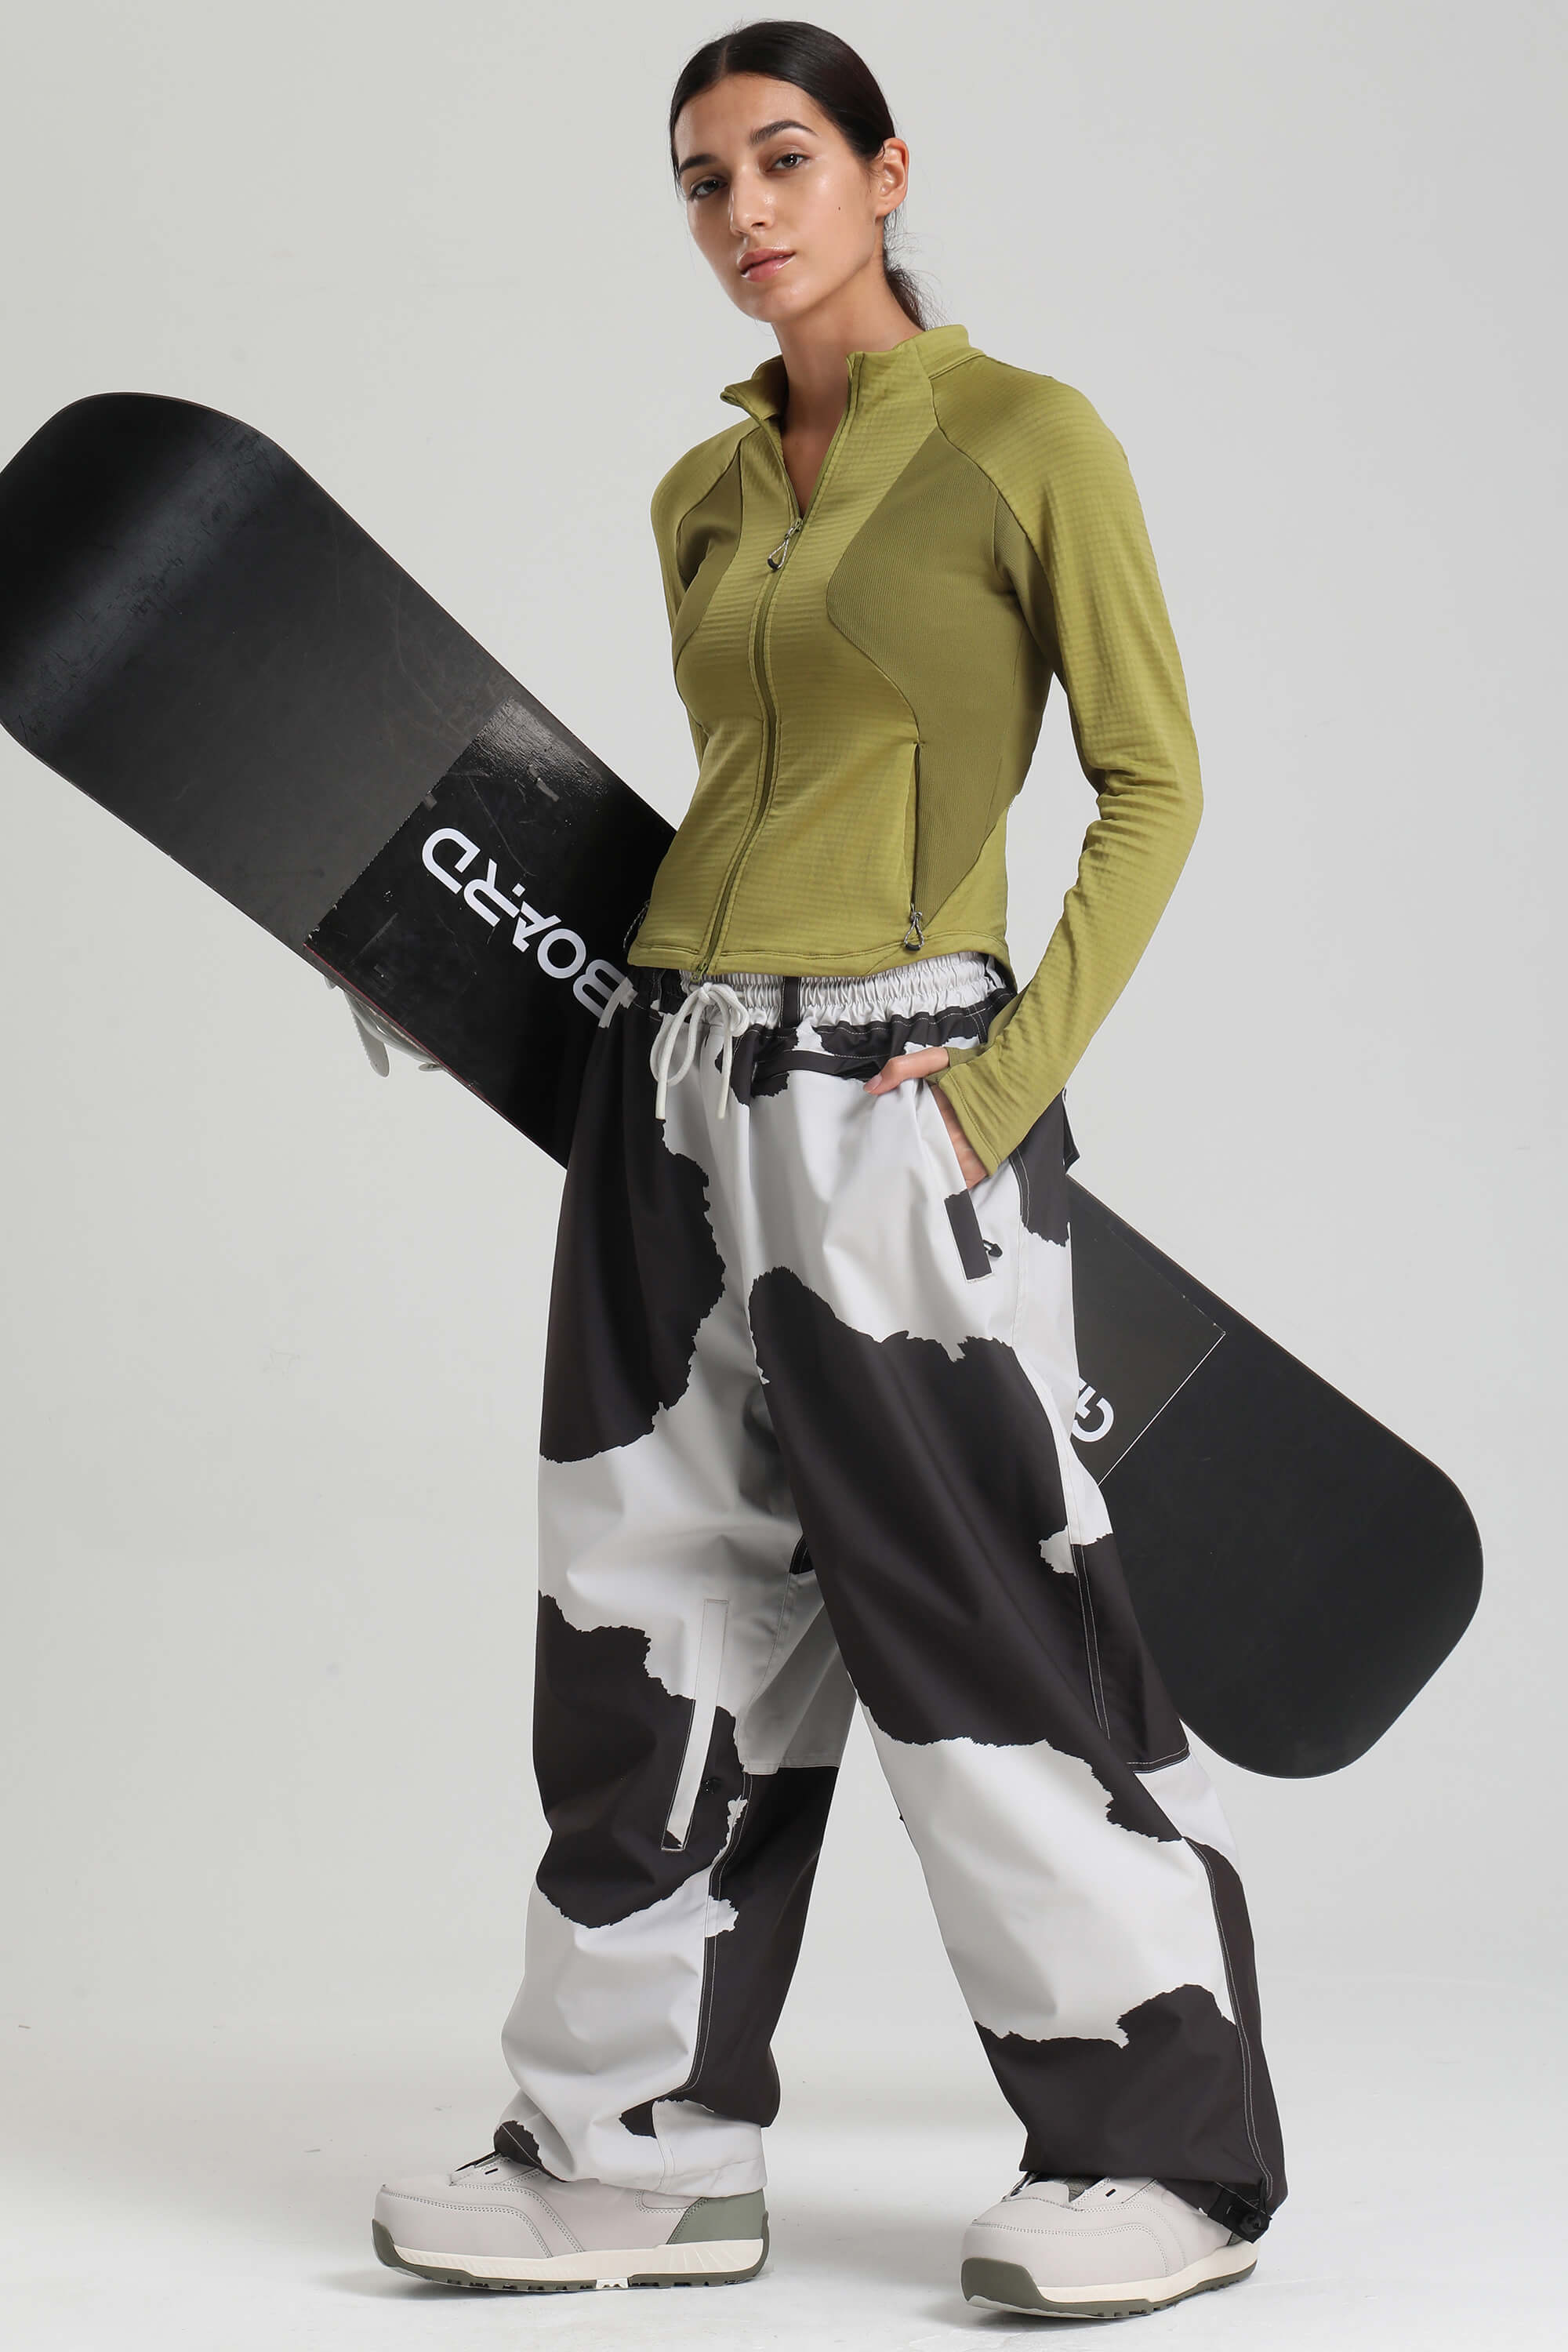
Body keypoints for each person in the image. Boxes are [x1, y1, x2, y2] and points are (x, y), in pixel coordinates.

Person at [372, 18, 1287, 2321]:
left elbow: (1156, 784)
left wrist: (1001, 1084)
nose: (744, 211)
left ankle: (1162, 2157)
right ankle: (632, 2152)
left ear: (886, 170)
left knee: (974, 1619)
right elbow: (723, 815)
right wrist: (426, 953)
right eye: (704, 179)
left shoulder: (1022, 441)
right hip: (666, 1092)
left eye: (784, 158)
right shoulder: (700, 493)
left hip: (896, 1096)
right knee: (648, 1616)